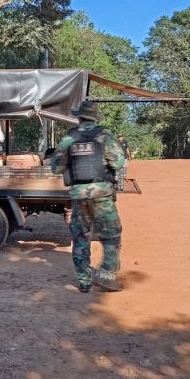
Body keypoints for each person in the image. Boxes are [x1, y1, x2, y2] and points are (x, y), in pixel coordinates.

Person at [51, 100, 125, 293]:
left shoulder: (69, 138)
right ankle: (107, 277)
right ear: (95, 116)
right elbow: (118, 163)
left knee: (81, 236)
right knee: (110, 236)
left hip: (79, 195)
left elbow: (56, 167)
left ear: (79, 117)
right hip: (102, 194)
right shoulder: (104, 136)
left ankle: (84, 281)